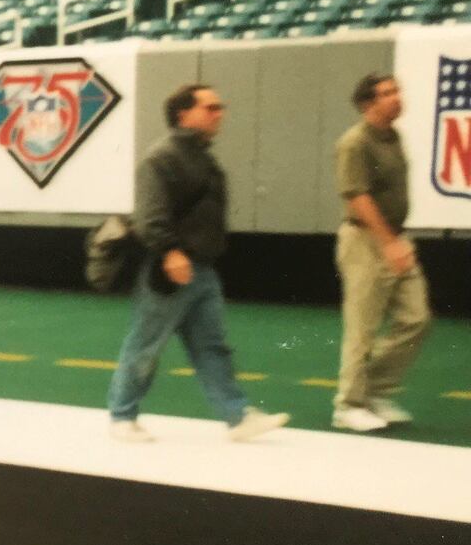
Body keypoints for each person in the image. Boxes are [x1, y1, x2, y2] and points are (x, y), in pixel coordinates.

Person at [106, 84, 289, 444]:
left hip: (202, 270)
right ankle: (122, 416)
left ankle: (237, 416)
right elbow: (150, 217)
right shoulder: (162, 158)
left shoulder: (201, 157)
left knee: (212, 345)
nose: (219, 113)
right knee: (146, 344)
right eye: (210, 107)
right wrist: (170, 252)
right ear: (183, 114)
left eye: (219, 107)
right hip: (171, 270)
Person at [332, 73, 429, 433]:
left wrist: (397, 241)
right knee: (363, 327)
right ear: (367, 104)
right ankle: (348, 405)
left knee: (416, 318)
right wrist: (389, 243)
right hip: (366, 242)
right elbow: (357, 197)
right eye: (388, 94)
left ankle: (374, 391)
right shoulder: (354, 143)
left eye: (397, 91)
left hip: (395, 238)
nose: (397, 97)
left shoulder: (394, 137)